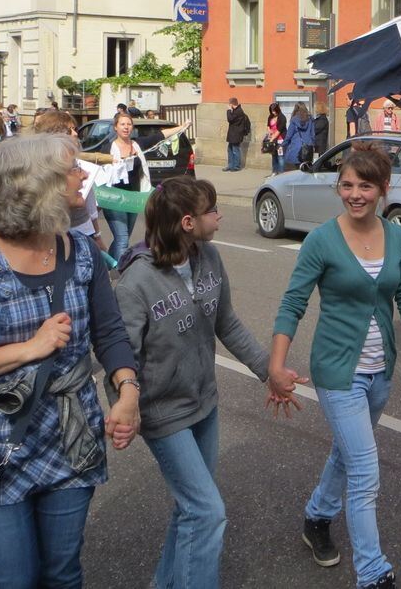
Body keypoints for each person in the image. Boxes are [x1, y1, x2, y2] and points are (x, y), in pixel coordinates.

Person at [268, 141, 401, 589]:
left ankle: (316, 518)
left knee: (347, 454)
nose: (355, 194)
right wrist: (277, 365)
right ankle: (373, 572)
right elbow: (293, 303)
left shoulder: (398, 237)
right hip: (336, 371)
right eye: (347, 185)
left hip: (379, 371)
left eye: (365, 185)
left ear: (383, 188)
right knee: (365, 470)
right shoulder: (322, 240)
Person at [0, 134, 140, 588]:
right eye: (73, 169)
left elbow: (109, 333)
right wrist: (30, 348)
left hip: (72, 436)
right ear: (37, 183)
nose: (85, 176)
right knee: (9, 580)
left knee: (63, 575)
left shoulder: (81, 252)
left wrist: (127, 391)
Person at [114, 178, 272, 589]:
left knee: (191, 509)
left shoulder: (209, 257)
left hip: (204, 402)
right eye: (212, 210)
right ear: (188, 222)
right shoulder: (135, 282)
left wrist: (268, 370)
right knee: (207, 512)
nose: (219, 217)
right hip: (163, 412)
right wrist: (123, 408)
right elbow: (118, 356)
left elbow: (226, 321)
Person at [105, 112, 192, 261]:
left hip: (133, 198)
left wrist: (181, 127)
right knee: (123, 238)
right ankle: (119, 272)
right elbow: (98, 173)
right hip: (114, 199)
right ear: (115, 128)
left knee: (122, 238)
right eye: (122, 124)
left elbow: (160, 135)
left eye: (129, 124)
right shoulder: (108, 148)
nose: (126, 127)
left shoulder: (138, 144)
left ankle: (107, 264)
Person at [33, 110, 108, 252]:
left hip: (83, 229)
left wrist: (97, 235)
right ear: (53, 134)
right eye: (69, 130)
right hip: (54, 235)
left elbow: (89, 201)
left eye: (75, 129)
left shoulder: (75, 159)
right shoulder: (39, 167)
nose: (75, 134)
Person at [282, 103, 315, 171]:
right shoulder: (310, 120)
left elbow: (288, 136)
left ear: (295, 110)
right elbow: (313, 135)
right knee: (305, 172)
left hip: (295, 150)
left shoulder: (294, 121)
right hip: (308, 150)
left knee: (293, 172)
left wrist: (282, 145)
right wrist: (312, 145)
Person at [224, 97, 249, 171]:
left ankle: (236, 166)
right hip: (233, 134)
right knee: (230, 149)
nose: (228, 105)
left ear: (232, 104)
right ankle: (230, 165)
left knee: (235, 150)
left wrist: (228, 110)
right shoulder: (236, 110)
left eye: (229, 104)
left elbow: (230, 119)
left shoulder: (239, 111)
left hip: (236, 134)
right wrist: (231, 110)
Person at [267, 102, 288, 175]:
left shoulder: (282, 118)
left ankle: (281, 172)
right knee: (274, 156)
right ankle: (274, 171)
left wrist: (272, 138)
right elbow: (268, 125)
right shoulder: (270, 117)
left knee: (280, 156)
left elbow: (279, 130)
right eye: (272, 111)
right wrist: (269, 131)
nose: (273, 112)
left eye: (274, 110)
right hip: (273, 139)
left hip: (280, 139)